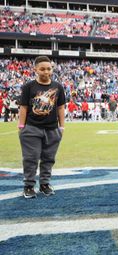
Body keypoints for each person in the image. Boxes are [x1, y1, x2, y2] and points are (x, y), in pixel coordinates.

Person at [18, 56, 66, 199]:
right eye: (42, 69)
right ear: (36, 70)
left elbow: (61, 108)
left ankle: (45, 184)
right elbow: (24, 107)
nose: (46, 72)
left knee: (49, 158)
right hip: (32, 127)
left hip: (52, 129)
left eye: (49, 68)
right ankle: (29, 186)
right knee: (30, 158)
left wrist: (61, 127)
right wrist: (21, 126)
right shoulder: (28, 87)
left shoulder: (58, 87)